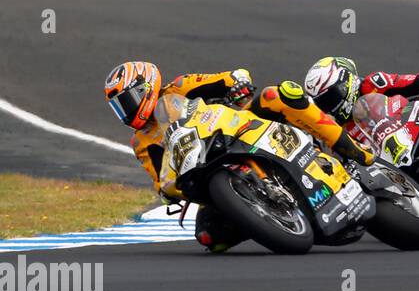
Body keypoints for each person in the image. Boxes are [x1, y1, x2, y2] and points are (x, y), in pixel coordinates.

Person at [104, 62, 374, 253]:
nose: (124, 112)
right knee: (209, 237)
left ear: (145, 88)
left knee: (278, 95)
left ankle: (348, 146)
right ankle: (268, 216)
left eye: (126, 101)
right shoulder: (141, 143)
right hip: (205, 167)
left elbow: (231, 76)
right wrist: (171, 193)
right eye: (118, 108)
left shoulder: (180, 88)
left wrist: (238, 84)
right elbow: (159, 179)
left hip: (236, 128)